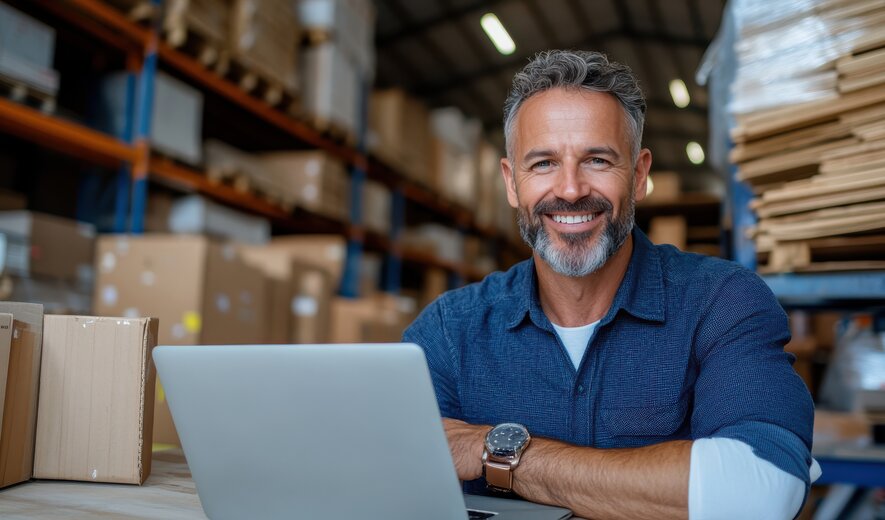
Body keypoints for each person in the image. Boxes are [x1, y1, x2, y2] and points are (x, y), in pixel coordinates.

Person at [403, 50, 816, 520]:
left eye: (597, 160)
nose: (572, 189)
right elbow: (386, 473)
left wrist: (494, 450)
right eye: (542, 164)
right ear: (511, 182)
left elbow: (763, 490)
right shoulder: (448, 331)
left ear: (639, 175)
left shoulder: (721, 303)